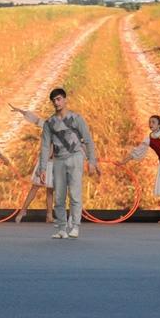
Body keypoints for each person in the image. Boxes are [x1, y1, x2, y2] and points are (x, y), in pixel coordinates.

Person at [38, 88, 100, 239]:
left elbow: (88, 140)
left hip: (75, 157)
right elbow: (45, 146)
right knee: (59, 195)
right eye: (54, 100)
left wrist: (92, 161)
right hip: (58, 160)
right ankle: (61, 228)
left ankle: (75, 226)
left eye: (59, 99)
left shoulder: (76, 118)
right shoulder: (49, 123)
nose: (56, 103)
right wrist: (42, 168)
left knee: (75, 193)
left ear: (65, 99)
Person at [9, 104, 55, 224]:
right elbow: (35, 119)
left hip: (55, 163)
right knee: (35, 187)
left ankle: (49, 215)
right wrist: (21, 111)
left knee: (50, 190)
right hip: (45, 162)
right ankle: (23, 210)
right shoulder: (47, 126)